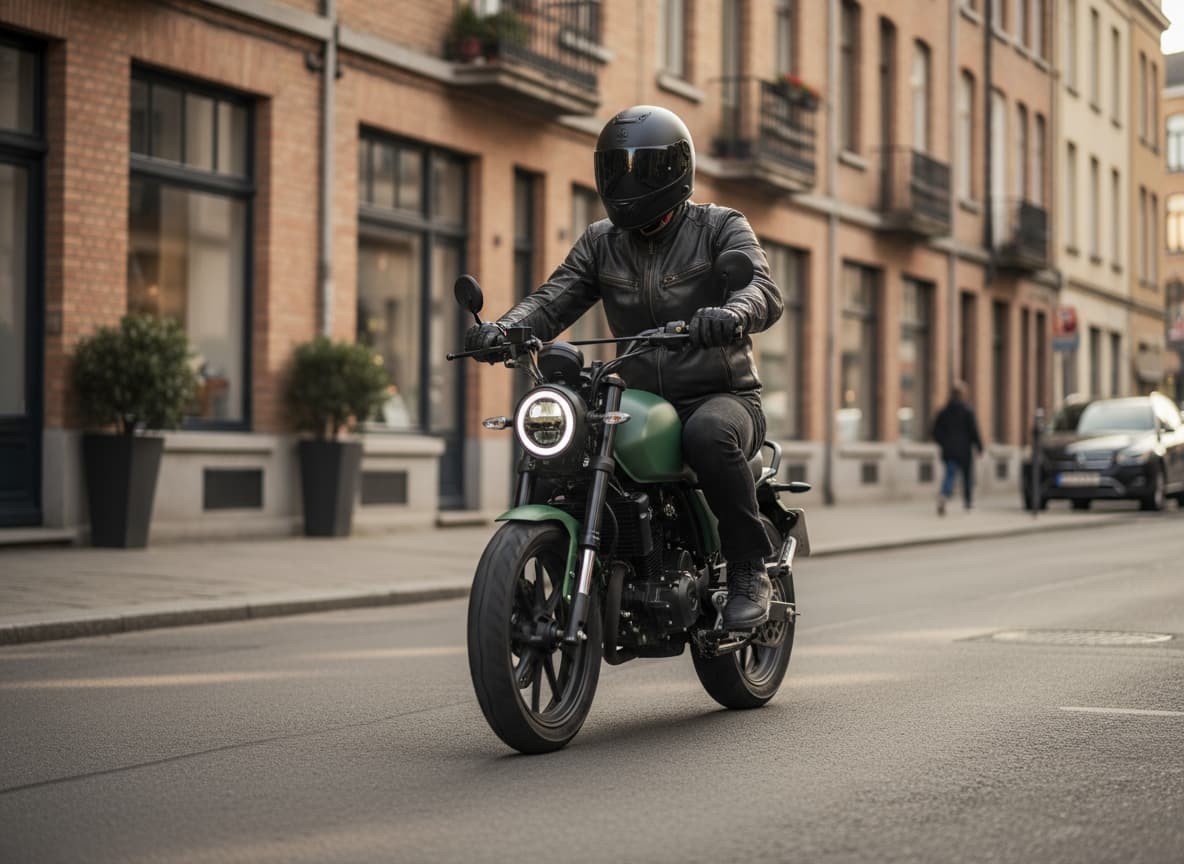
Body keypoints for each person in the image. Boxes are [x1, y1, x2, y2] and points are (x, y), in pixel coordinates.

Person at [464, 105, 784, 630]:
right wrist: (504, 329)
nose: (626, 181)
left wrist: (731, 315)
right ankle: (552, 568)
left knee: (707, 435)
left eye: (642, 168)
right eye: (615, 168)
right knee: (566, 443)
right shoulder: (601, 241)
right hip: (637, 401)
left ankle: (749, 569)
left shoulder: (720, 226)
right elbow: (553, 299)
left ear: (675, 170)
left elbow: (763, 290)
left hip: (720, 395)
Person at [931, 381, 984, 515]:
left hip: (949, 449)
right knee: (967, 476)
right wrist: (979, 447)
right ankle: (968, 503)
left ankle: (944, 494)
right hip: (964, 449)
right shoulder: (967, 411)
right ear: (963, 394)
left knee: (950, 474)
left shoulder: (944, 411)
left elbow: (934, 431)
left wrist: (943, 442)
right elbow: (974, 430)